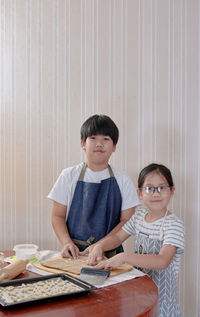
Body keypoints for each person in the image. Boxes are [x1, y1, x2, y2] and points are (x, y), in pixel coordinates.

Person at [86, 163, 184, 317]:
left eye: (162, 187)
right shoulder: (139, 216)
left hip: (163, 302)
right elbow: (118, 237)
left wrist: (123, 257)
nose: (156, 193)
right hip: (140, 294)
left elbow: (162, 261)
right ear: (139, 193)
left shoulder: (174, 224)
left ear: (172, 191)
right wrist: (100, 246)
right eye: (149, 188)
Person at [48, 114, 140, 259]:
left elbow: (127, 221)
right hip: (75, 255)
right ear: (83, 143)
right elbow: (57, 216)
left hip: (111, 256)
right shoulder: (68, 176)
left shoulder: (123, 180)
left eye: (105, 139)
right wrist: (66, 243)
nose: (99, 144)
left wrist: (101, 246)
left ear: (114, 146)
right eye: (93, 138)